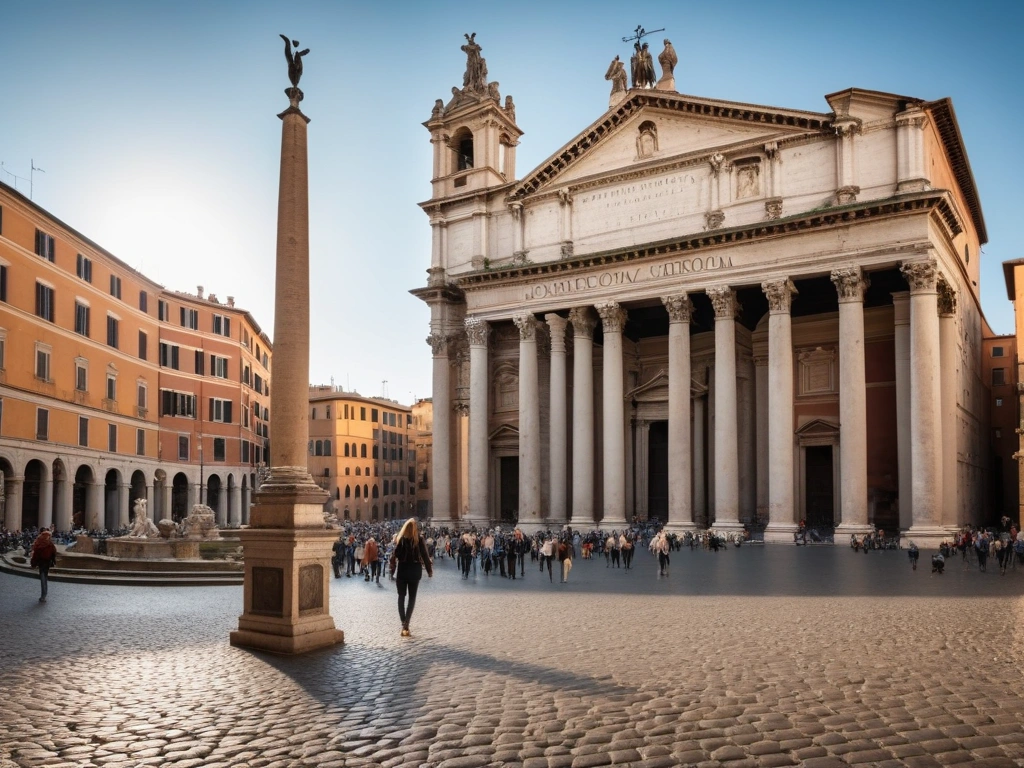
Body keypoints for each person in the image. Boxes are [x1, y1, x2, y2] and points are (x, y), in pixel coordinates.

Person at [388, 518, 433, 637]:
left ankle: (403, 622)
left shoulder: (401, 540)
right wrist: (429, 570)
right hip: (414, 571)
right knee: (412, 599)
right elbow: (425, 556)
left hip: (402, 571)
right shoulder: (419, 540)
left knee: (401, 597)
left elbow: (395, 555)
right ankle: (406, 623)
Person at [30, 529, 57, 603]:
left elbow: (35, 555)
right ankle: (44, 594)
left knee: (43, 578)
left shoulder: (39, 544)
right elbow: (54, 553)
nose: (50, 537)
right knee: (44, 578)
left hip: (41, 563)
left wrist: (33, 563)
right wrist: (53, 561)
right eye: (49, 536)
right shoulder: (49, 544)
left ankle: (43, 595)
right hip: (46, 563)